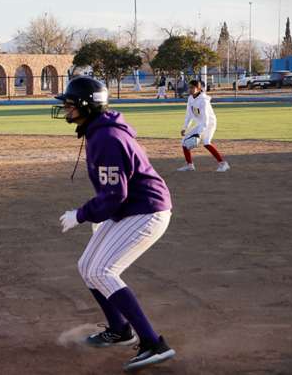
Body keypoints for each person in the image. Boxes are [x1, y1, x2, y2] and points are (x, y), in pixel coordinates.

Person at [52, 76, 176, 371]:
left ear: (86, 106)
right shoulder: (98, 132)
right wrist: (101, 216)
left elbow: (115, 194)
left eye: (70, 104)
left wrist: (82, 215)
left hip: (147, 211)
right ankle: (120, 330)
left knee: (103, 271)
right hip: (129, 209)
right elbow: (115, 194)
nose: (65, 109)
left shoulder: (106, 138)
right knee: (87, 267)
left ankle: (153, 343)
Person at [177, 80, 230, 172]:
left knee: (206, 142)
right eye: (189, 87)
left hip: (209, 123)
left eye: (192, 87)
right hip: (201, 124)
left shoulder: (203, 100)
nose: (190, 89)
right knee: (184, 141)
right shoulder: (190, 98)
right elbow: (188, 115)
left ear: (198, 89)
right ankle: (190, 165)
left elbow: (206, 119)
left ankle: (223, 164)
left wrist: (199, 133)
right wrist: (185, 127)